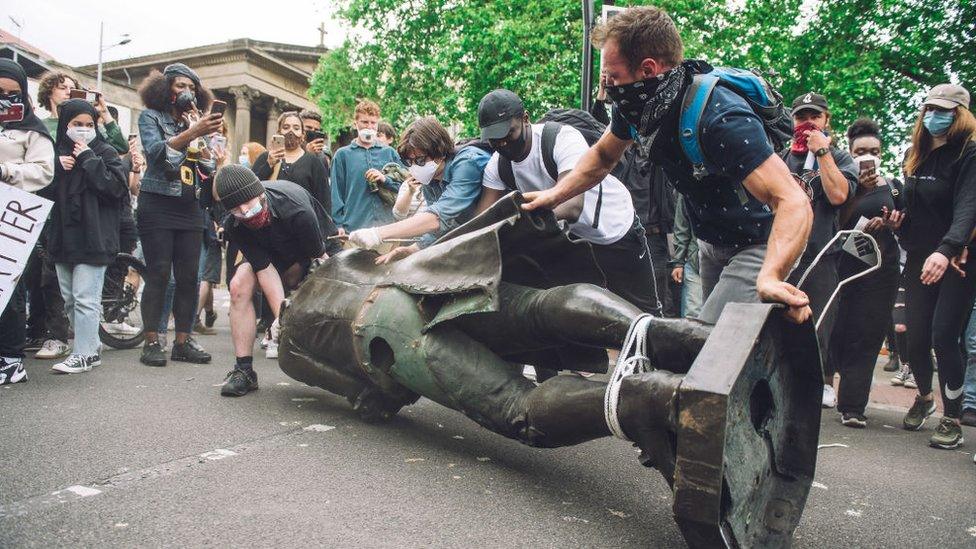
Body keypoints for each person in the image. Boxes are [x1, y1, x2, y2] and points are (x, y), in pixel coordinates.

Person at [520, 6, 813, 326]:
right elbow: (603, 157)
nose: (609, 87)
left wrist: (770, 275)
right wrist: (554, 195)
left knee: (708, 347)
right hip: (711, 244)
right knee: (732, 346)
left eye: (613, 76)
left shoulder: (720, 116)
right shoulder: (638, 110)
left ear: (647, 70)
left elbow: (793, 201)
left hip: (760, 242)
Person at [473, 89, 657, 314]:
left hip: (615, 229)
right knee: (580, 319)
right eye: (494, 139)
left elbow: (572, 205)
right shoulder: (497, 166)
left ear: (525, 119)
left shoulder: (560, 138)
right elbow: (481, 220)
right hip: (575, 242)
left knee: (642, 313)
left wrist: (519, 223)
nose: (501, 144)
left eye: (507, 134)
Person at [895, 83, 976, 450]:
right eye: (928, 108)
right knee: (914, 337)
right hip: (918, 257)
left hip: (957, 259)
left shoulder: (969, 154)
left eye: (941, 109)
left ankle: (952, 416)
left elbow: (967, 208)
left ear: (959, 114)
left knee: (945, 337)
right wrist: (899, 223)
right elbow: (916, 212)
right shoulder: (917, 154)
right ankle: (925, 398)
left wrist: (947, 249)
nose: (932, 115)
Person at [213, 165, 339, 396]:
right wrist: (282, 316)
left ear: (260, 193)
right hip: (270, 250)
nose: (245, 211)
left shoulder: (297, 210)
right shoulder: (235, 224)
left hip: (314, 248)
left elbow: (320, 261)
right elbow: (264, 269)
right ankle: (244, 371)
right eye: (236, 209)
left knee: (311, 288)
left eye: (249, 203)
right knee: (238, 286)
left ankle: (338, 363)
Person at [135, 63, 221, 367]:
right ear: (165, 88)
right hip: (158, 204)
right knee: (159, 275)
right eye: (180, 86)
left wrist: (211, 154)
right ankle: (152, 342)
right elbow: (158, 156)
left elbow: (205, 170)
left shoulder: (194, 121)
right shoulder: (150, 117)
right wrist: (192, 132)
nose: (186, 92)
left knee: (189, 278)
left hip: (190, 207)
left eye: (191, 88)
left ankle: (183, 342)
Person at [781, 92, 858, 408]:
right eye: (801, 117)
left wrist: (822, 152)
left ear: (826, 120)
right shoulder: (782, 159)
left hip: (821, 255)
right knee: (780, 322)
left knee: (818, 324)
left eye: (814, 116)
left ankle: (819, 384)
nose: (807, 122)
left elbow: (839, 195)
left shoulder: (839, 158)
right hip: (785, 254)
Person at [826, 118, 903, 427]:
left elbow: (907, 225)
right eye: (860, 150)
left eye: (873, 150)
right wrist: (857, 193)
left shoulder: (895, 187)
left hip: (881, 268)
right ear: (850, 151)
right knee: (838, 331)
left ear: (881, 152)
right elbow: (832, 223)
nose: (866, 155)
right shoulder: (842, 184)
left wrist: (893, 224)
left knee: (868, 333)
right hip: (843, 266)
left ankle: (853, 406)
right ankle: (828, 382)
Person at [45, 99, 127, 373]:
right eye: (76, 124)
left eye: (89, 125)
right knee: (70, 298)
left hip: (94, 237)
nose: (82, 130)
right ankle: (89, 345)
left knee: (85, 298)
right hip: (63, 237)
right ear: (65, 124)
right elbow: (41, 190)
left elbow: (116, 188)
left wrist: (88, 159)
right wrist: (57, 168)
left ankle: (84, 353)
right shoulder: (56, 154)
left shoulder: (105, 152)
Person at [346, 116, 489, 262]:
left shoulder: (467, 163)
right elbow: (445, 225)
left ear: (439, 152)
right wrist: (413, 249)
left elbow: (437, 218)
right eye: (409, 162)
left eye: (420, 160)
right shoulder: (430, 180)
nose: (414, 166)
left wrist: (378, 233)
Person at [0, 59, 56, 385]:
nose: (6, 99)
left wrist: (8, 171)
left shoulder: (32, 130)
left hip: (13, 216)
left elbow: (43, 172)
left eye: (13, 93)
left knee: (9, 284)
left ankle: (10, 358)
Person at [330, 100, 402, 232]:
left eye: (373, 122)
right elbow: (336, 193)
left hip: (387, 228)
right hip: (354, 228)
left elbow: (405, 186)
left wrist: (385, 179)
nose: (369, 126)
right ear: (355, 123)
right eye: (364, 122)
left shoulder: (390, 153)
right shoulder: (342, 155)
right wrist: (338, 224)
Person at [252, 111, 330, 211]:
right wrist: (268, 165)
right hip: (271, 221)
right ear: (279, 132)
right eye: (286, 127)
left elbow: (323, 201)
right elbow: (251, 190)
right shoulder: (265, 158)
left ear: (302, 134)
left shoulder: (314, 162)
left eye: (296, 128)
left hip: (303, 222)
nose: (291, 132)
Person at [37, 71, 129, 155]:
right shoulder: (40, 126)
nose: (68, 92)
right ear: (48, 92)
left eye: (73, 89)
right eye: (62, 88)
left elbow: (121, 148)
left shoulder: (89, 125)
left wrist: (104, 113)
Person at [670, 197, 702, 318]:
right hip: (696, 260)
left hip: (731, 258)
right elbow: (682, 226)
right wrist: (678, 262)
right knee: (692, 316)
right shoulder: (688, 186)